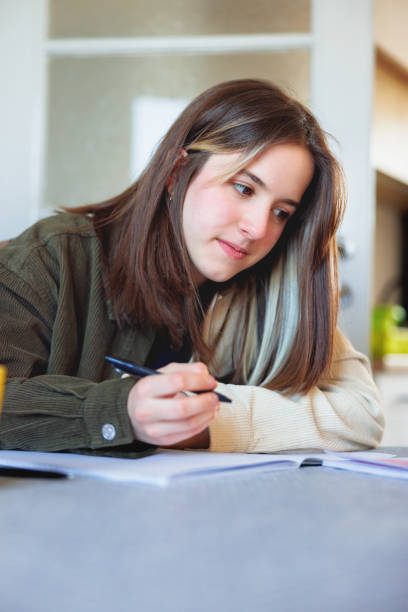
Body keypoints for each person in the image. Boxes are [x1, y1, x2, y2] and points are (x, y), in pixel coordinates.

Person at [0, 78, 383, 456]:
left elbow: (362, 413)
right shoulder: (49, 258)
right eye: (244, 188)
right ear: (176, 173)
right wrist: (123, 412)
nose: (259, 227)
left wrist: (202, 421)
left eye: (281, 212)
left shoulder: (273, 283)